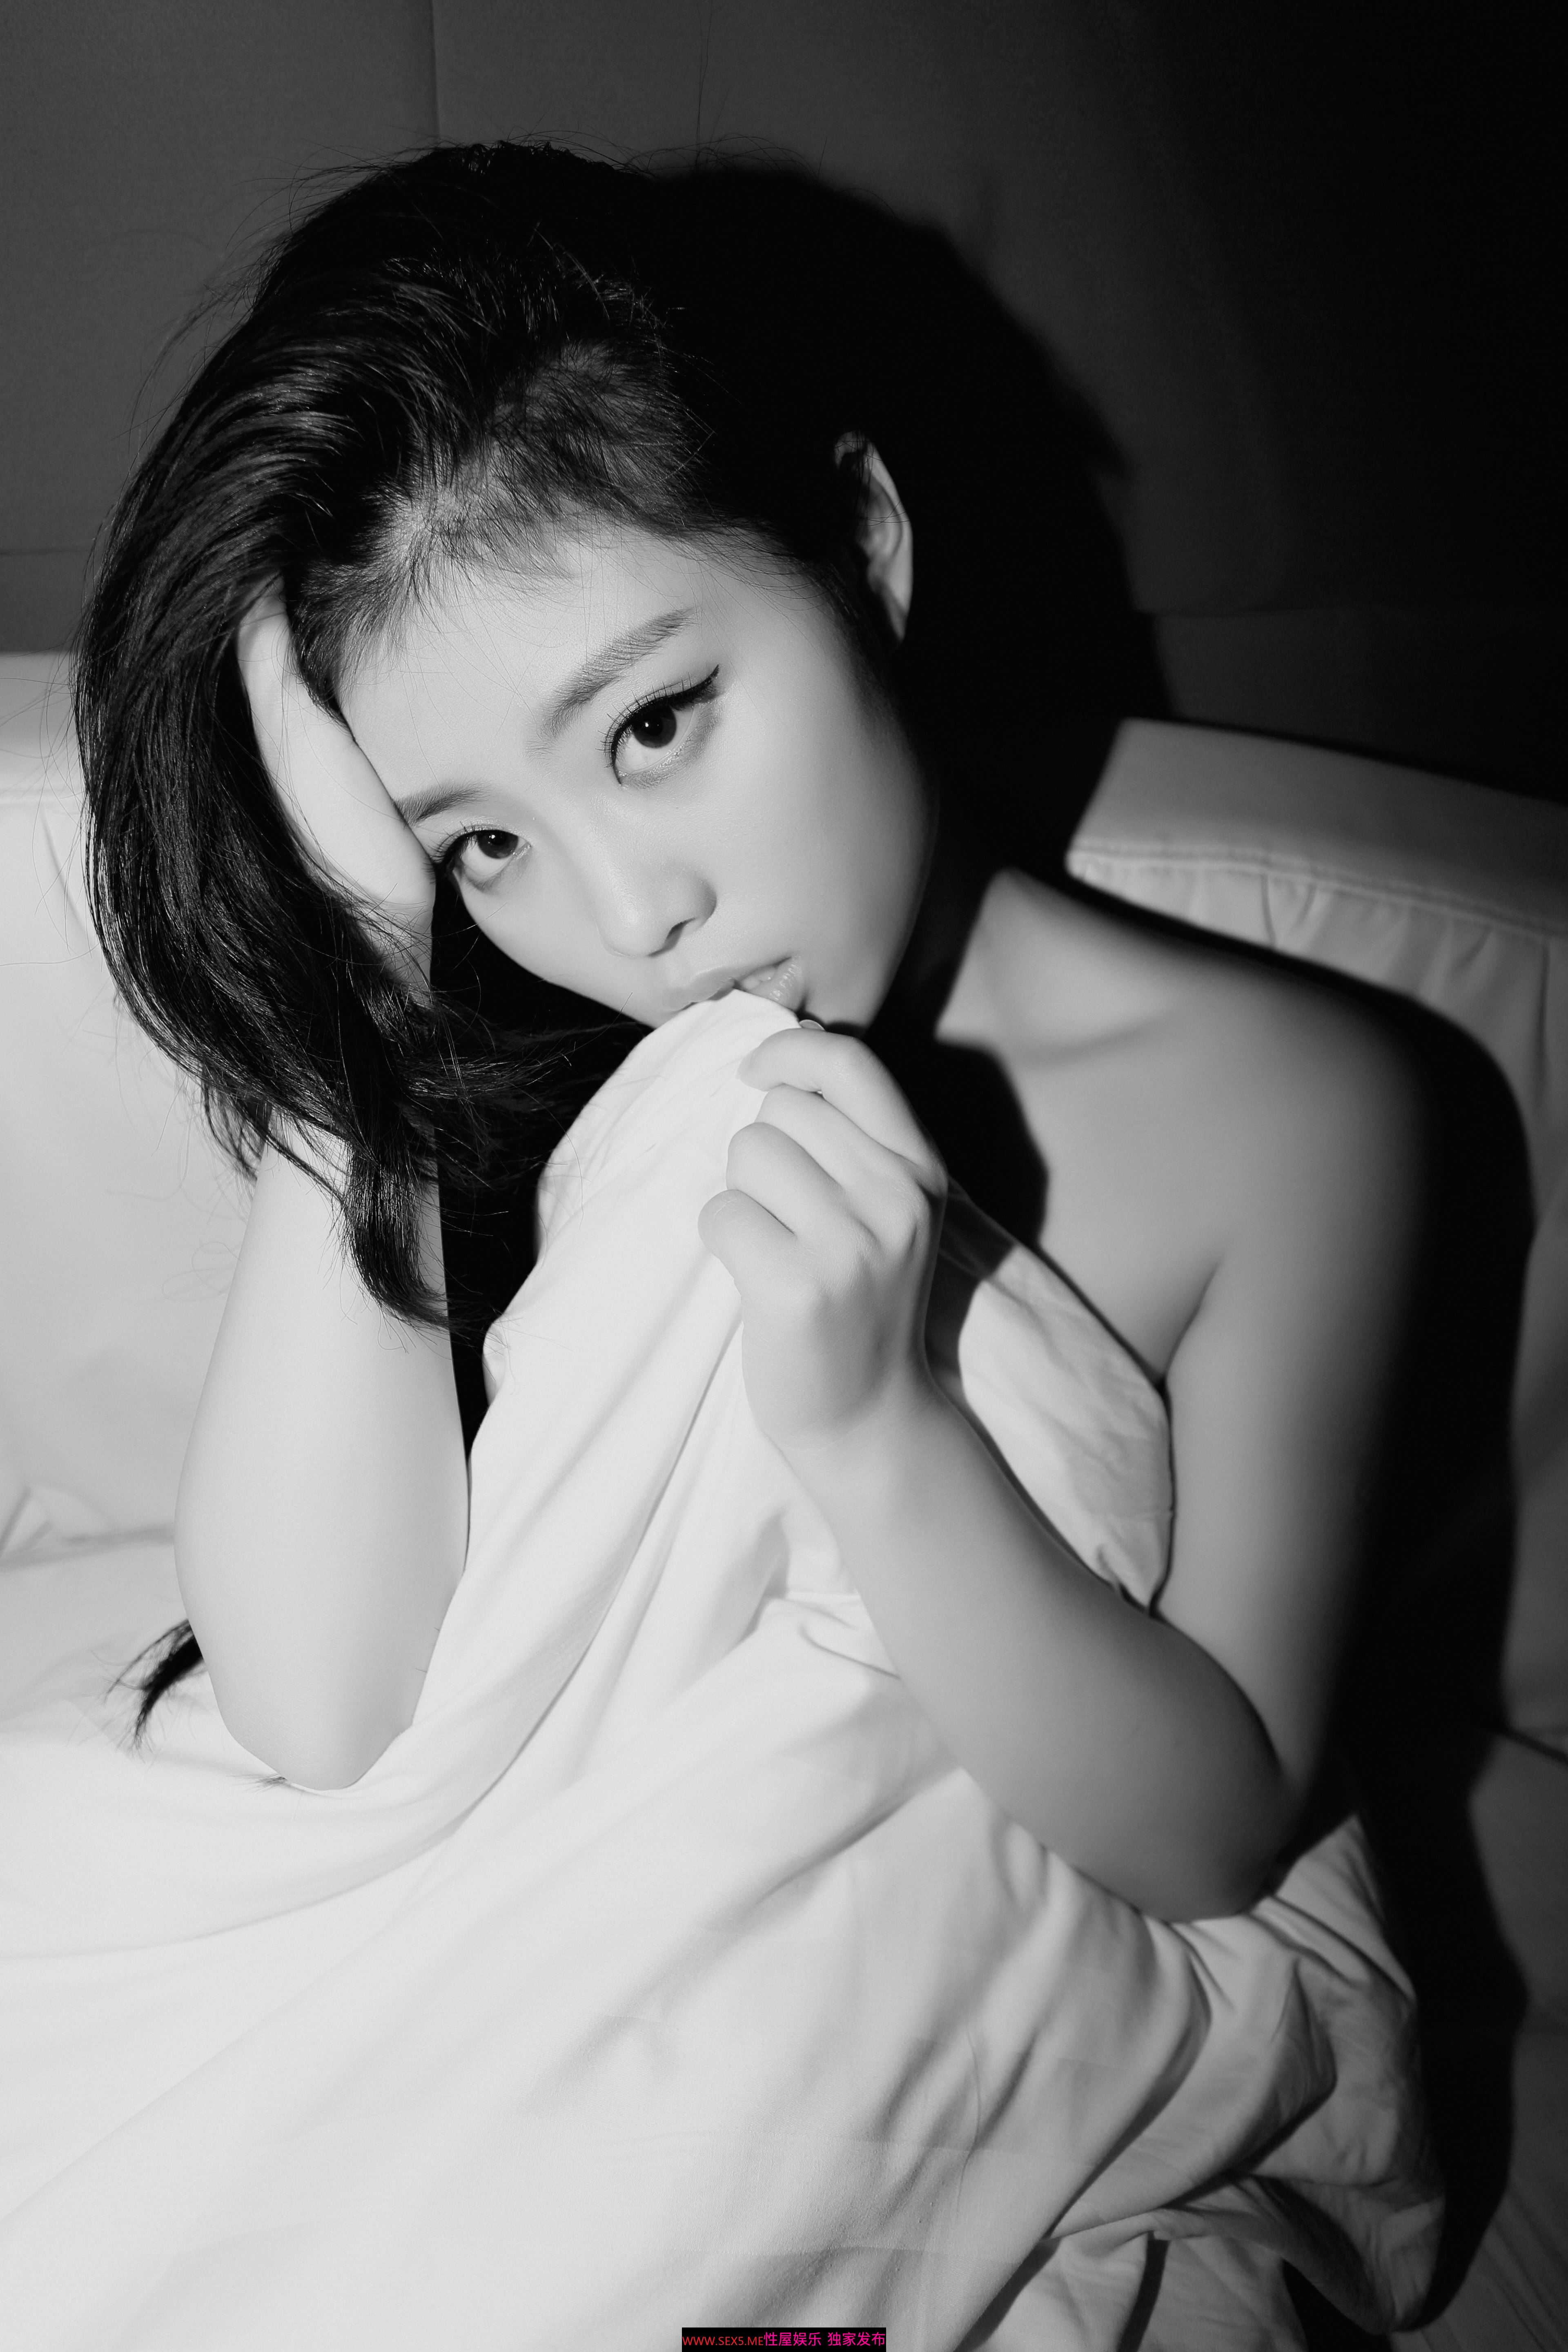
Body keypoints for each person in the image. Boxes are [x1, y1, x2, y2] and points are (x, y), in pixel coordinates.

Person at [75, 140, 1426, 1927]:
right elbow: (327, 1713)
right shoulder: (556, 1099)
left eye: (653, 728)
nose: (630, 919)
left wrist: (882, 1429)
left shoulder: (1289, 1113)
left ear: (864, 544)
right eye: (484, 843)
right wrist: (363, 975)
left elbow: (1214, 1833)